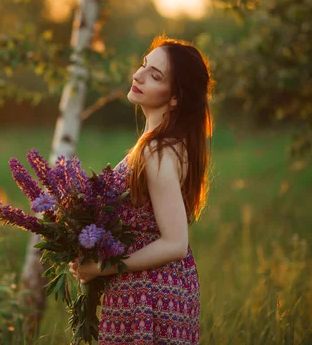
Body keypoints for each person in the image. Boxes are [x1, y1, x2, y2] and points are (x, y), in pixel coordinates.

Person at [68, 34, 215, 344]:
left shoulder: (158, 151)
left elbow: (175, 242)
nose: (138, 75)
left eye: (155, 75)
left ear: (175, 97)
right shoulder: (162, 144)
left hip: (150, 296)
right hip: (153, 290)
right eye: (144, 65)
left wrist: (102, 267)